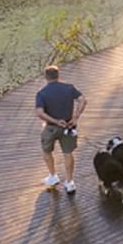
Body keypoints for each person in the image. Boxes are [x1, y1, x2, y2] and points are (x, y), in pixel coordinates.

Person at [35, 64, 87, 195]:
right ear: (58, 75)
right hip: (69, 127)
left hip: (51, 128)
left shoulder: (42, 93)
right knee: (68, 153)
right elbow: (82, 100)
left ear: (46, 77)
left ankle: (53, 176)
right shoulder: (69, 88)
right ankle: (69, 182)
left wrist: (55, 121)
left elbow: (40, 113)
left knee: (46, 151)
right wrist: (75, 117)